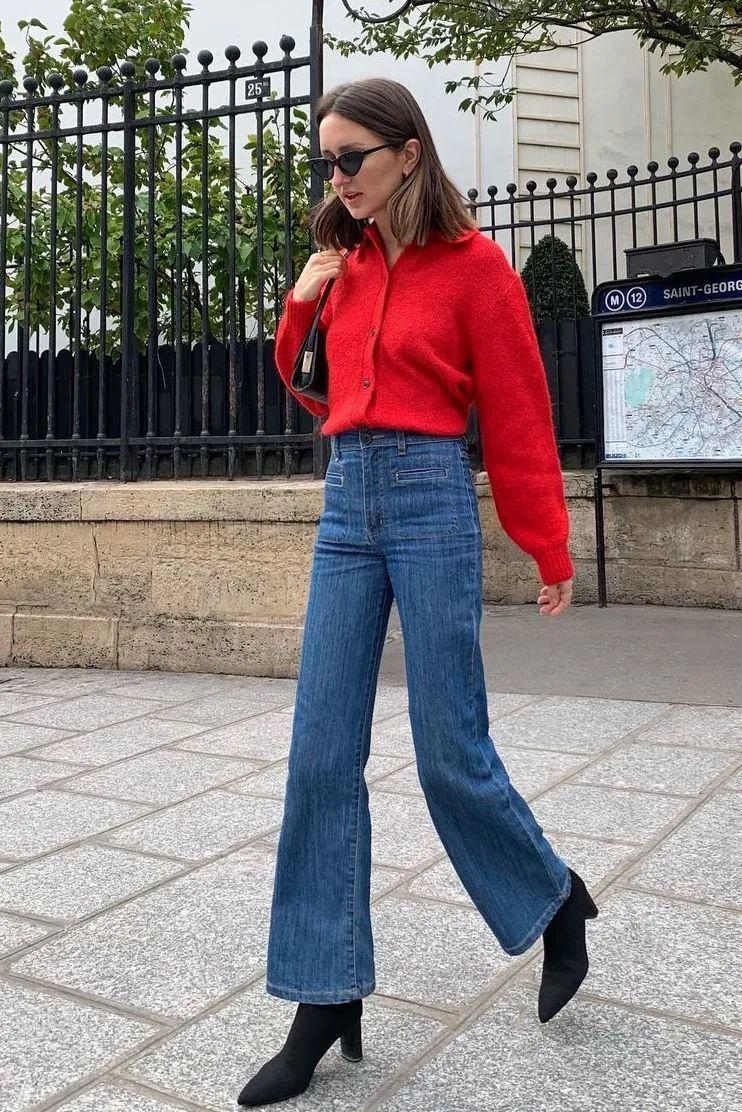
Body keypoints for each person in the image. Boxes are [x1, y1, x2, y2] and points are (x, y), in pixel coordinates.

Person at [237, 76, 598, 1109]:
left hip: (432, 497)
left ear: (407, 153)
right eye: (327, 162)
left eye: (352, 157)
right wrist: (302, 300)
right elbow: (312, 384)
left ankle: (554, 900)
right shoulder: (342, 262)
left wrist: (546, 543)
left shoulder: (477, 268)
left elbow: (519, 411)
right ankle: (324, 994)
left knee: (449, 749)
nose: (337, 178)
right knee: (318, 754)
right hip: (347, 501)